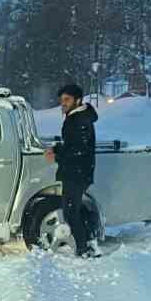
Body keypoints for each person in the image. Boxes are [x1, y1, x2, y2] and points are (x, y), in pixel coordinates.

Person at [44, 82, 100, 257]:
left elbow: (79, 150)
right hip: (76, 172)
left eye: (67, 100)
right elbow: (72, 145)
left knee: (70, 211)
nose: (63, 103)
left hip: (76, 173)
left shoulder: (79, 119)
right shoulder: (77, 117)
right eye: (62, 100)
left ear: (77, 100)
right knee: (73, 209)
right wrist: (57, 148)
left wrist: (56, 156)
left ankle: (85, 249)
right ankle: (89, 244)